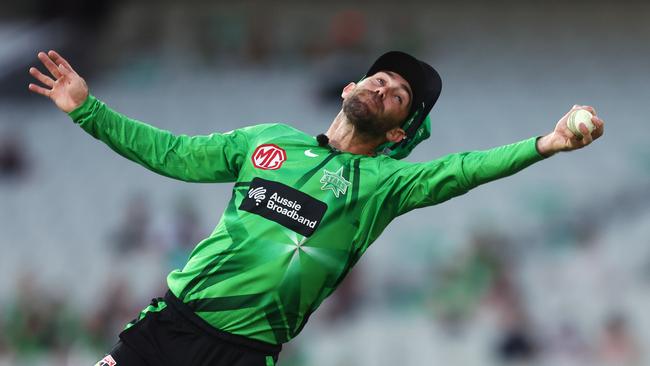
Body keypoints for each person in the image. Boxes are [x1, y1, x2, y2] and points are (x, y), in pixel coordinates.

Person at [28, 50, 604, 366]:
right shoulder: (267, 141)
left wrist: (546, 144)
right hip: (170, 326)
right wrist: (88, 111)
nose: (382, 88)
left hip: (245, 356)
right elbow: (174, 153)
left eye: (397, 95)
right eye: (379, 78)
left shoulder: (384, 183)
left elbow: (462, 170)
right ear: (351, 85)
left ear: (401, 132)